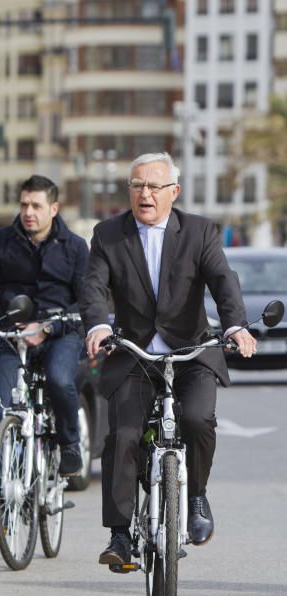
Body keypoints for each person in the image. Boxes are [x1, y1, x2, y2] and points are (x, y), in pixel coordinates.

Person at [79, 151, 256, 569]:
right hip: (135, 354)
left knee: (196, 420)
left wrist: (235, 326)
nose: (145, 193)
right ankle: (120, 535)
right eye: (137, 185)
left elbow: (223, 282)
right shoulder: (108, 234)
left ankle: (195, 498)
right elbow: (92, 288)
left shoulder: (199, 231)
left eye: (154, 186)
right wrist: (97, 327)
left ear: (173, 192)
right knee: (121, 435)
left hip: (190, 350)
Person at [0, 175, 89, 530]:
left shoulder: (74, 247)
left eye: (36, 206)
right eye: (24, 204)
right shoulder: (0, 242)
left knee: (60, 380)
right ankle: (0, 498)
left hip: (61, 332)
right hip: (14, 335)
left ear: (53, 209)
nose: (28, 212)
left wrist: (50, 328)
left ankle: (70, 445)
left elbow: (86, 301)